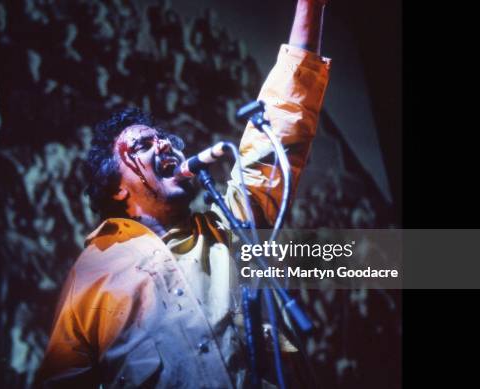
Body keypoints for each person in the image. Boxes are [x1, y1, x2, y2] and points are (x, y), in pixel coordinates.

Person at [34, 0, 330, 387]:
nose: (164, 146)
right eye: (142, 146)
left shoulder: (231, 225)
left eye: (165, 139)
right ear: (118, 189)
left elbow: (279, 128)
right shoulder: (92, 274)